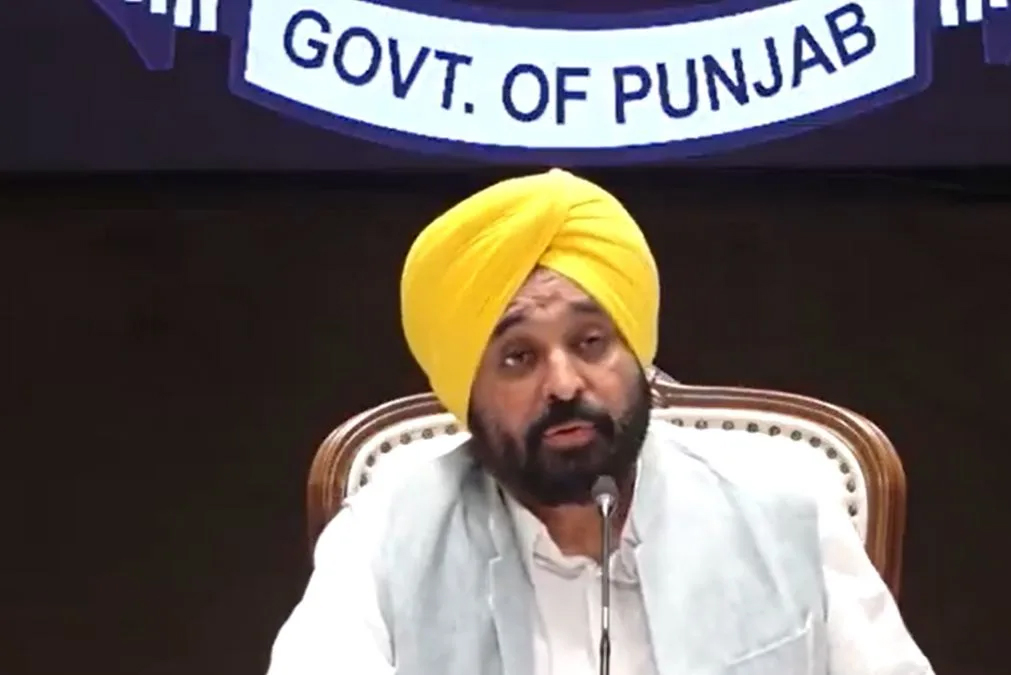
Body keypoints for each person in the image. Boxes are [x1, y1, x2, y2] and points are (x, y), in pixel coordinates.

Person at [266, 169, 934, 675]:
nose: (563, 384)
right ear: (466, 394)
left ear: (636, 356)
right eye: (518, 357)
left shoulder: (784, 506)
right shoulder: (383, 539)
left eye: (590, 342)